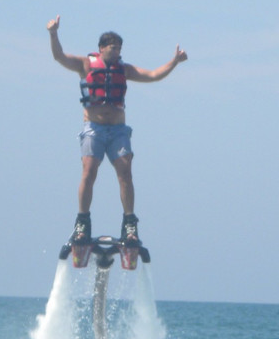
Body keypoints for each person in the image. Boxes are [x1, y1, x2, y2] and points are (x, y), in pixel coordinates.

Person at [47, 15, 187, 245]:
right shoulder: (85, 65)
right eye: (113, 48)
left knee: (125, 173)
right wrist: (53, 33)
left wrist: (174, 62)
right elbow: (59, 57)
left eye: (119, 48)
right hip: (94, 129)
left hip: (118, 131)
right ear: (101, 48)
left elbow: (153, 75)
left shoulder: (125, 70)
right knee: (89, 172)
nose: (117, 52)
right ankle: (82, 221)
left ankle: (129, 223)